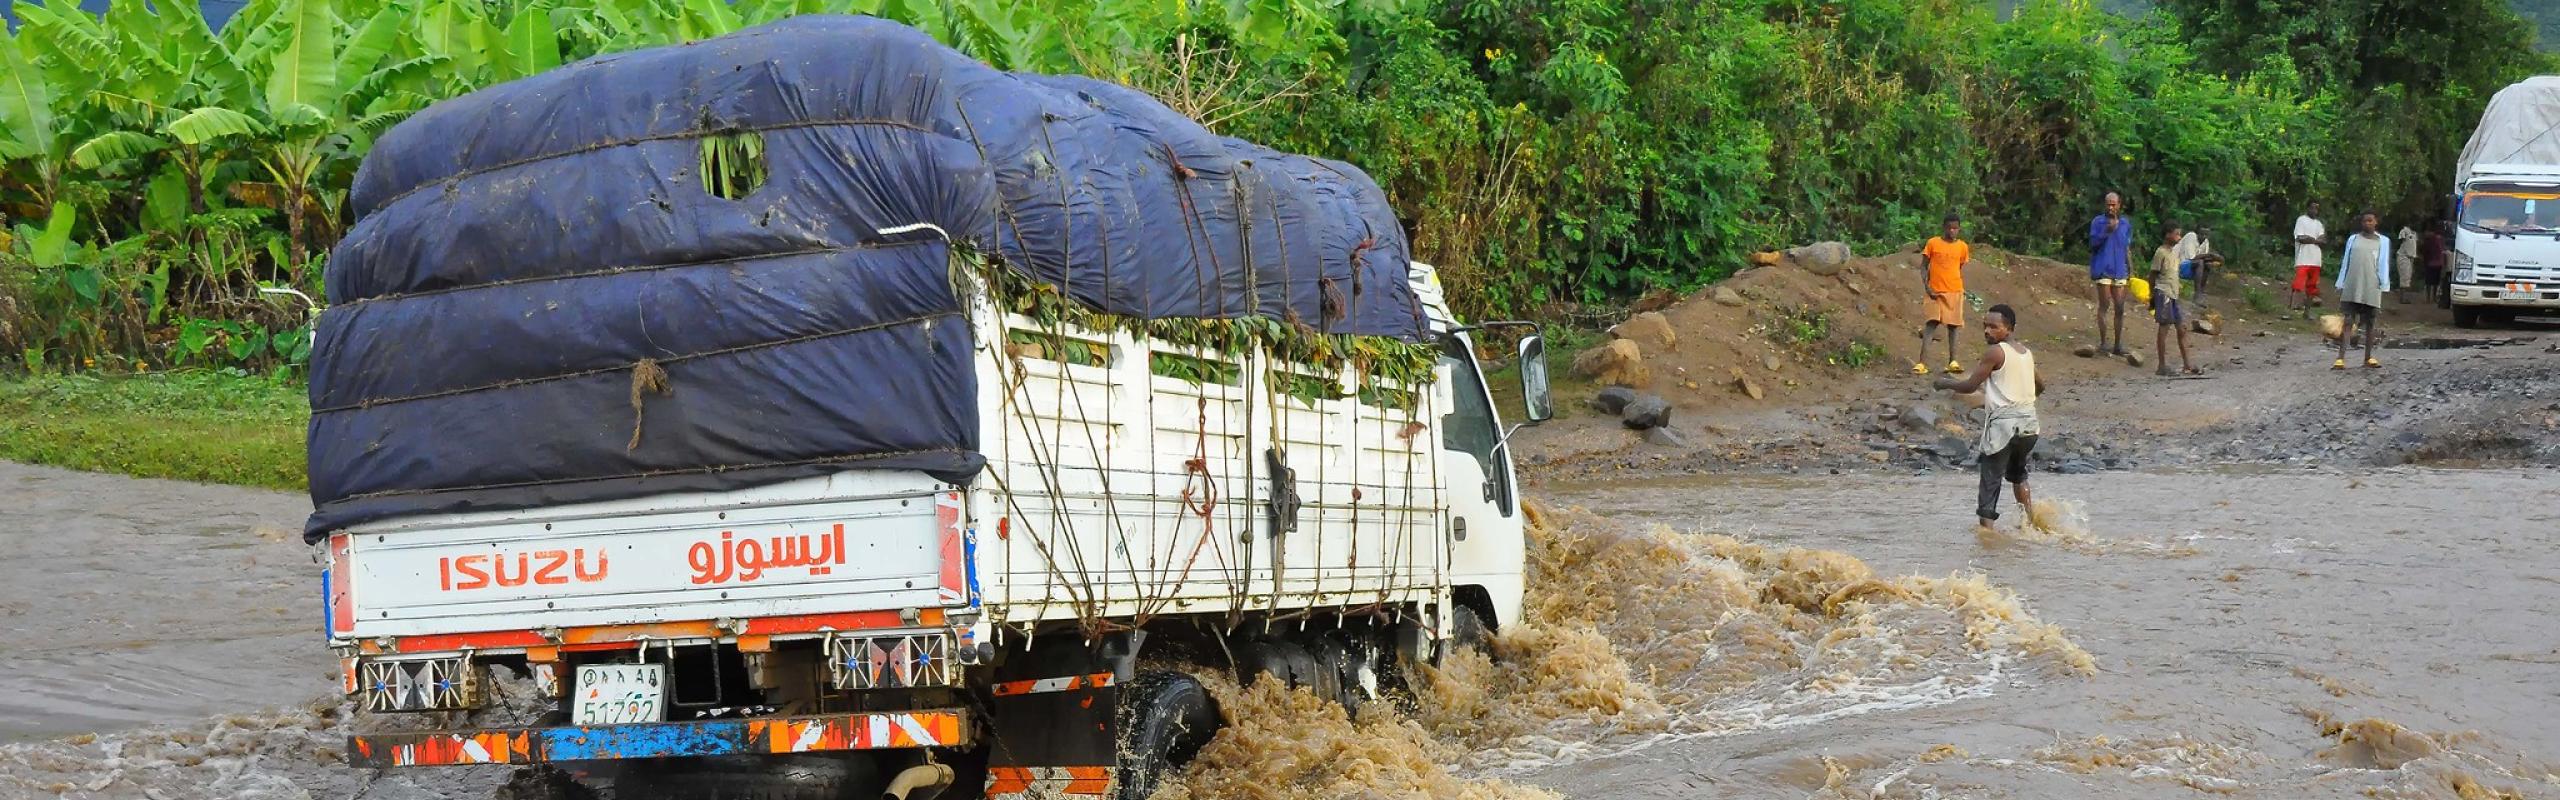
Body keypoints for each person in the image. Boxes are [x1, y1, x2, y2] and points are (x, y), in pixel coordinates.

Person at [1936, 304, 2043, 534]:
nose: (1987, 331)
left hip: (2004, 426)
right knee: (2018, 475)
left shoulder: (1995, 352)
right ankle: (2030, 526)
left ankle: (1987, 536)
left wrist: (1945, 383)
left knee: (1990, 482)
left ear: (2009, 328)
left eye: (1994, 327)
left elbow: (1970, 385)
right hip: (2029, 425)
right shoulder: (2026, 353)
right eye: (1985, 326)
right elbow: (2040, 385)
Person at [1915, 214, 1971, 375]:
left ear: (1959, 229)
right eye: (1949, 228)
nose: (1952, 231)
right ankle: (1922, 363)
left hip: (1954, 290)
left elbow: (1958, 267)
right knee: (1931, 324)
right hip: (1934, 291)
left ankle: (1953, 362)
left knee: (1953, 327)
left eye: (1955, 228)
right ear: (1943, 227)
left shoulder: (1962, 247)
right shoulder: (1933, 243)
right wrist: (1927, 287)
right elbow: (1924, 267)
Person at [2334, 211, 2391, 370]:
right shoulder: (2353, 240)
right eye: (2365, 221)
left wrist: (2383, 284)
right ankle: (2340, 358)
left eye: (2370, 220)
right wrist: (2341, 282)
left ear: (2376, 222)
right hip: (2352, 285)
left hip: (2371, 286)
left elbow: (2383, 264)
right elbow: (2346, 262)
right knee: (2348, 321)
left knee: (2370, 323)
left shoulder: (2383, 242)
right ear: (2361, 223)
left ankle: (2368, 357)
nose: (2367, 223)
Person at [2087, 193, 2134, 357]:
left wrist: (2131, 271)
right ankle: (2104, 342)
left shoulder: (2126, 224)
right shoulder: (2098, 222)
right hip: (2103, 268)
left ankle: (2117, 344)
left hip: (2120, 270)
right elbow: (2092, 244)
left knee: (2120, 307)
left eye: (2113, 204)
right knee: (2104, 304)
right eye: (2108, 204)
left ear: (2119, 205)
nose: (2110, 207)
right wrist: (2106, 231)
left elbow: (2127, 248)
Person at [2150, 225, 2198, 376]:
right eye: (2176, 234)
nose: (2178, 237)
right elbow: (2152, 275)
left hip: (2173, 295)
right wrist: (2152, 296)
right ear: (2167, 234)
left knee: (2181, 329)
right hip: (2163, 293)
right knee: (2164, 328)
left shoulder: (2173, 253)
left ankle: (2187, 364)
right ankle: (2162, 365)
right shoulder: (2161, 252)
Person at [2291, 201, 2327, 317]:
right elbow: (2300, 238)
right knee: (2298, 284)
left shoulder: (2319, 224)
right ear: (2307, 208)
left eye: (2316, 209)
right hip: (2303, 258)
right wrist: (2316, 240)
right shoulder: (2301, 220)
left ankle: (2307, 312)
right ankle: (2292, 309)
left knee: (2312, 287)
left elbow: (2323, 239)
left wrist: (2312, 239)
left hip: (2316, 260)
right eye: (2312, 208)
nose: (2314, 211)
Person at [2421, 220, 2450, 304]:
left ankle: (2429, 298)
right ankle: (2432, 298)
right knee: (2434, 282)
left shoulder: (2430, 239)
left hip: (2431, 263)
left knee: (2430, 282)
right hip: (2436, 263)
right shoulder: (2440, 240)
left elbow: (2425, 251)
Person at [2395, 223, 2420, 304]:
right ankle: (2402, 298)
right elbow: (2400, 242)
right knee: (2404, 277)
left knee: (2408, 277)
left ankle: (2405, 297)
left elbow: (2414, 246)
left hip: (2410, 258)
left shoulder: (2414, 233)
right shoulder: (2404, 231)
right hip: (2403, 256)